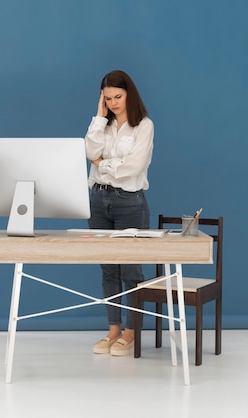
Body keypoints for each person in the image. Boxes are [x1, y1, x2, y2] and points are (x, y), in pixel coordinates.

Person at [84, 70, 154, 356]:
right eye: (108, 98)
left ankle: (131, 332)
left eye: (118, 97)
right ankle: (113, 330)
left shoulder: (143, 126)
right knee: (108, 269)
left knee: (131, 270)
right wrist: (99, 118)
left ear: (129, 94)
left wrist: (103, 164)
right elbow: (90, 150)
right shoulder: (103, 124)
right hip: (98, 201)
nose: (113, 103)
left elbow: (134, 168)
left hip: (130, 203)